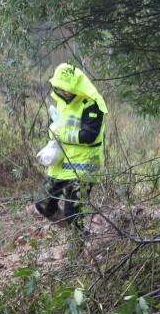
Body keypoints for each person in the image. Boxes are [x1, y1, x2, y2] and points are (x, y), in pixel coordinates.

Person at [33, 63, 107, 230]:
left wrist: (61, 134)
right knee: (42, 203)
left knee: (73, 214)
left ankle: (76, 240)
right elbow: (56, 127)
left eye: (66, 88)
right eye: (60, 88)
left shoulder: (92, 104)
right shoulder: (62, 102)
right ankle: (72, 232)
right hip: (60, 165)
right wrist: (52, 132)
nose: (62, 92)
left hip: (83, 168)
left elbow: (89, 136)